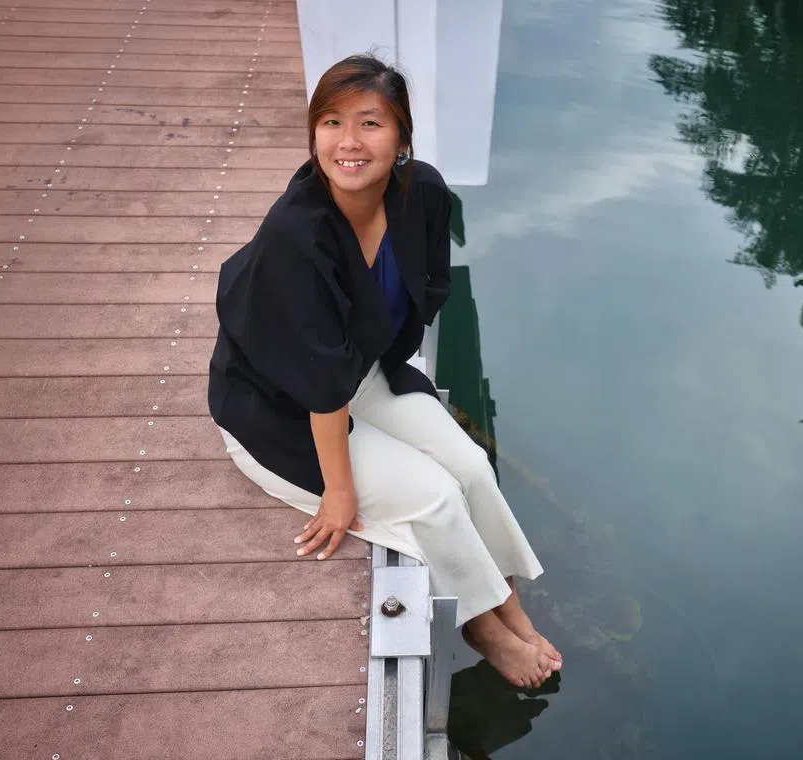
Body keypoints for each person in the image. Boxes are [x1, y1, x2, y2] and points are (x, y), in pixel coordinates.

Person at [208, 54, 561, 688]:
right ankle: (482, 622)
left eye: (370, 123)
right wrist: (338, 491)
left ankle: (505, 602)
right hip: (278, 404)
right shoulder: (299, 232)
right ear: (313, 133)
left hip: (359, 372)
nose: (347, 143)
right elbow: (316, 383)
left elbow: (420, 295)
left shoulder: (420, 192)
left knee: (472, 468)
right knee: (433, 496)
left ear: (401, 138)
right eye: (331, 122)